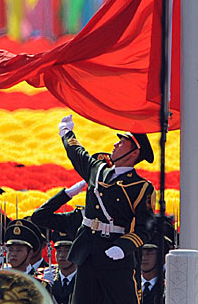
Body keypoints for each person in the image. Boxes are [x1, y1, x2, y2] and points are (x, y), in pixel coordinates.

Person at [58, 114, 156, 304]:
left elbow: (146, 228)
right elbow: (78, 154)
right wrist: (66, 132)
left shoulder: (141, 187)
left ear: (134, 152)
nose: (115, 145)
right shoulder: (98, 170)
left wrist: (123, 247)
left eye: (122, 143)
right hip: (87, 251)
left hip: (115, 255)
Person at [51, 233, 77, 304]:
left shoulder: (84, 280)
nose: (62, 255)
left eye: (67, 251)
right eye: (58, 251)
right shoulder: (49, 279)